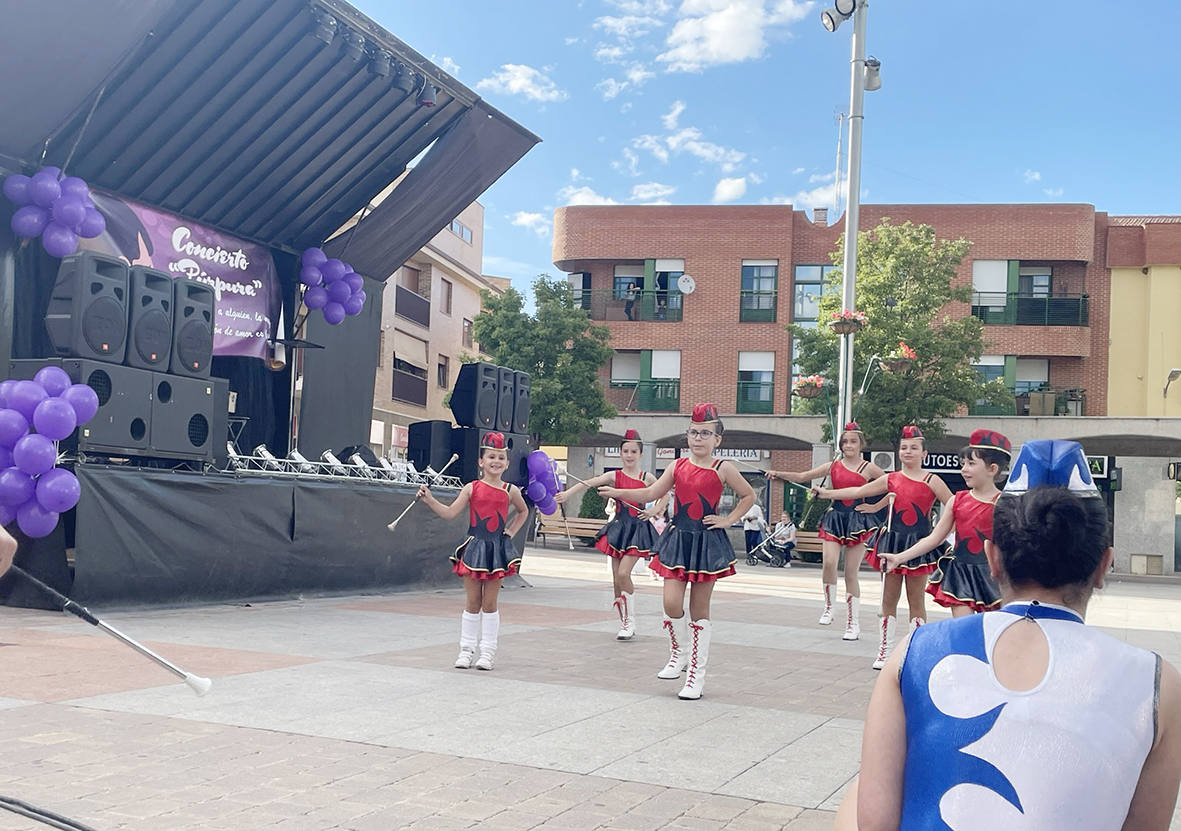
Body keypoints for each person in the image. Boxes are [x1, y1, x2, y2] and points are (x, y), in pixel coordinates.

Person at [848, 439, 1181, 831]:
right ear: (1103, 565)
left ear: (993, 558)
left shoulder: (917, 654)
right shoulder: (1158, 684)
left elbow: (872, 822)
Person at [599, 403, 756, 700]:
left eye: (705, 433)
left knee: (699, 610)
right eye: (694, 432)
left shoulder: (724, 468)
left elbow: (748, 495)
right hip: (677, 539)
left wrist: (729, 520)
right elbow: (650, 494)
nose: (698, 438)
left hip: (707, 543)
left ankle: (696, 675)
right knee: (671, 604)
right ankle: (680, 652)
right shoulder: (677, 466)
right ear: (687, 436)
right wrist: (618, 492)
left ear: (717, 439)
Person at [817, 425, 952, 669]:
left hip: (918, 545)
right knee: (888, 597)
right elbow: (858, 490)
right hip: (892, 542)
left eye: (914, 448)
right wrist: (827, 493)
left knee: (916, 599)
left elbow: (953, 507)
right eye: (904, 448)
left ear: (925, 454)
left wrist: (942, 533)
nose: (907, 452)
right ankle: (885, 650)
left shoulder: (933, 480)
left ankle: (914, 649)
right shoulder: (891, 479)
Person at [417, 432, 528, 671]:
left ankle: (487, 652)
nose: (496, 461)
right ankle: (466, 650)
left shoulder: (510, 490)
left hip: (496, 551)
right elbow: (449, 512)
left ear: (507, 463)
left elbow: (523, 512)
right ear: (481, 461)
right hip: (475, 547)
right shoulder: (472, 488)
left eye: (500, 457)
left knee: (490, 603)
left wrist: (511, 532)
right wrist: (430, 500)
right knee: (472, 601)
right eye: (491, 457)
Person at [768, 422, 886, 641]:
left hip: (857, 520)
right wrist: (778, 473)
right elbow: (804, 475)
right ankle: (829, 606)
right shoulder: (833, 465)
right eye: (845, 442)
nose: (848, 445)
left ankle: (853, 623)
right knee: (829, 563)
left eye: (853, 441)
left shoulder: (868, 468)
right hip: (834, 518)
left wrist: (875, 507)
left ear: (861, 444)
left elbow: (891, 486)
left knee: (851, 573)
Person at [883, 429, 1011, 616]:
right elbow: (934, 538)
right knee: (962, 630)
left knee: (989, 633)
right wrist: (899, 557)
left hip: (993, 577)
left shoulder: (1005, 504)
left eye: (971, 464)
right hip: (960, 574)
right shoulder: (957, 500)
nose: (964, 469)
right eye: (963, 463)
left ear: (992, 469)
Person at [556, 429, 669, 639]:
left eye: (633, 451)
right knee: (617, 580)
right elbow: (589, 482)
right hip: (618, 528)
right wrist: (567, 494)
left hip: (638, 529)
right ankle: (625, 623)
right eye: (625, 451)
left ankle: (631, 621)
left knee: (624, 574)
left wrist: (654, 510)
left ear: (640, 454)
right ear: (620, 453)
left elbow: (666, 493)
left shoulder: (647, 477)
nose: (629, 455)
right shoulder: (614, 476)